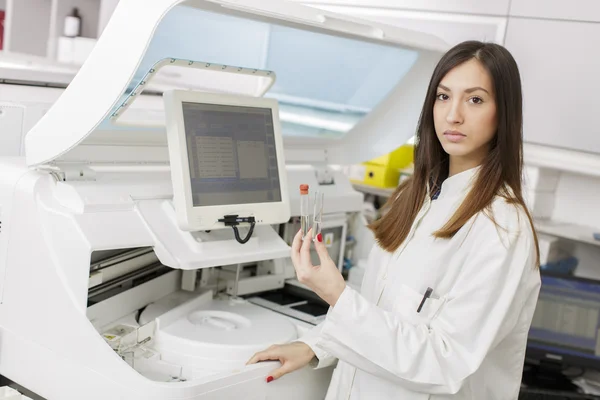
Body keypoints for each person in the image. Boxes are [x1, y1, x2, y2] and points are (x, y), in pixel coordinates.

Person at [247, 40, 541, 399]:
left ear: (504, 113)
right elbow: (385, 309)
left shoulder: (503, 228)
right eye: (443, 96)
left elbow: (445, 364)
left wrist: (336, 294)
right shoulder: (415, 195)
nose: (453, 115)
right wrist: (317, 345)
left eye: (475, 99)